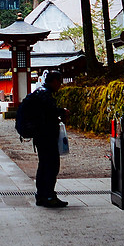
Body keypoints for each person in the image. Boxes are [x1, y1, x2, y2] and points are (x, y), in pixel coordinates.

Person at [22, 70, 70, 208]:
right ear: (54, 81)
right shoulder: (45, 95)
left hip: (40, 135)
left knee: (43, 165)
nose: (60, 85)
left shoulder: (39, 93)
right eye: (59, 82)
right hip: (46, 136)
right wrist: (62, 112)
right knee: (51, 165)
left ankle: (41, 195)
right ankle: (49, 196)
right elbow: (50, 113)